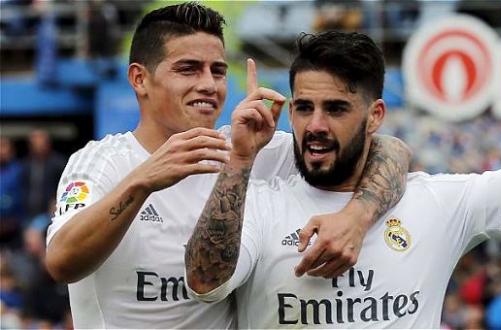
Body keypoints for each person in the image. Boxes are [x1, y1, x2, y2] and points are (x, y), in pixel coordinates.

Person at [185, 0, 501, 327]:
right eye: (304, 107)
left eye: (337, 109)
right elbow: (204, 283)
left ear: (375, 115)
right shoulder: (259, 203)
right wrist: (240, 159)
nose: (316, 125)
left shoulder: (437, 204)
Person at [44, 3, 411, 329]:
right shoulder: (105, 161)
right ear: (140, 79)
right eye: (188, 69)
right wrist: (143, 181)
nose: (209, 85)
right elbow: (62, 262)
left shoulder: (248, 150)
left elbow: (387, 150)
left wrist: (356, 218)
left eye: (217, 71)